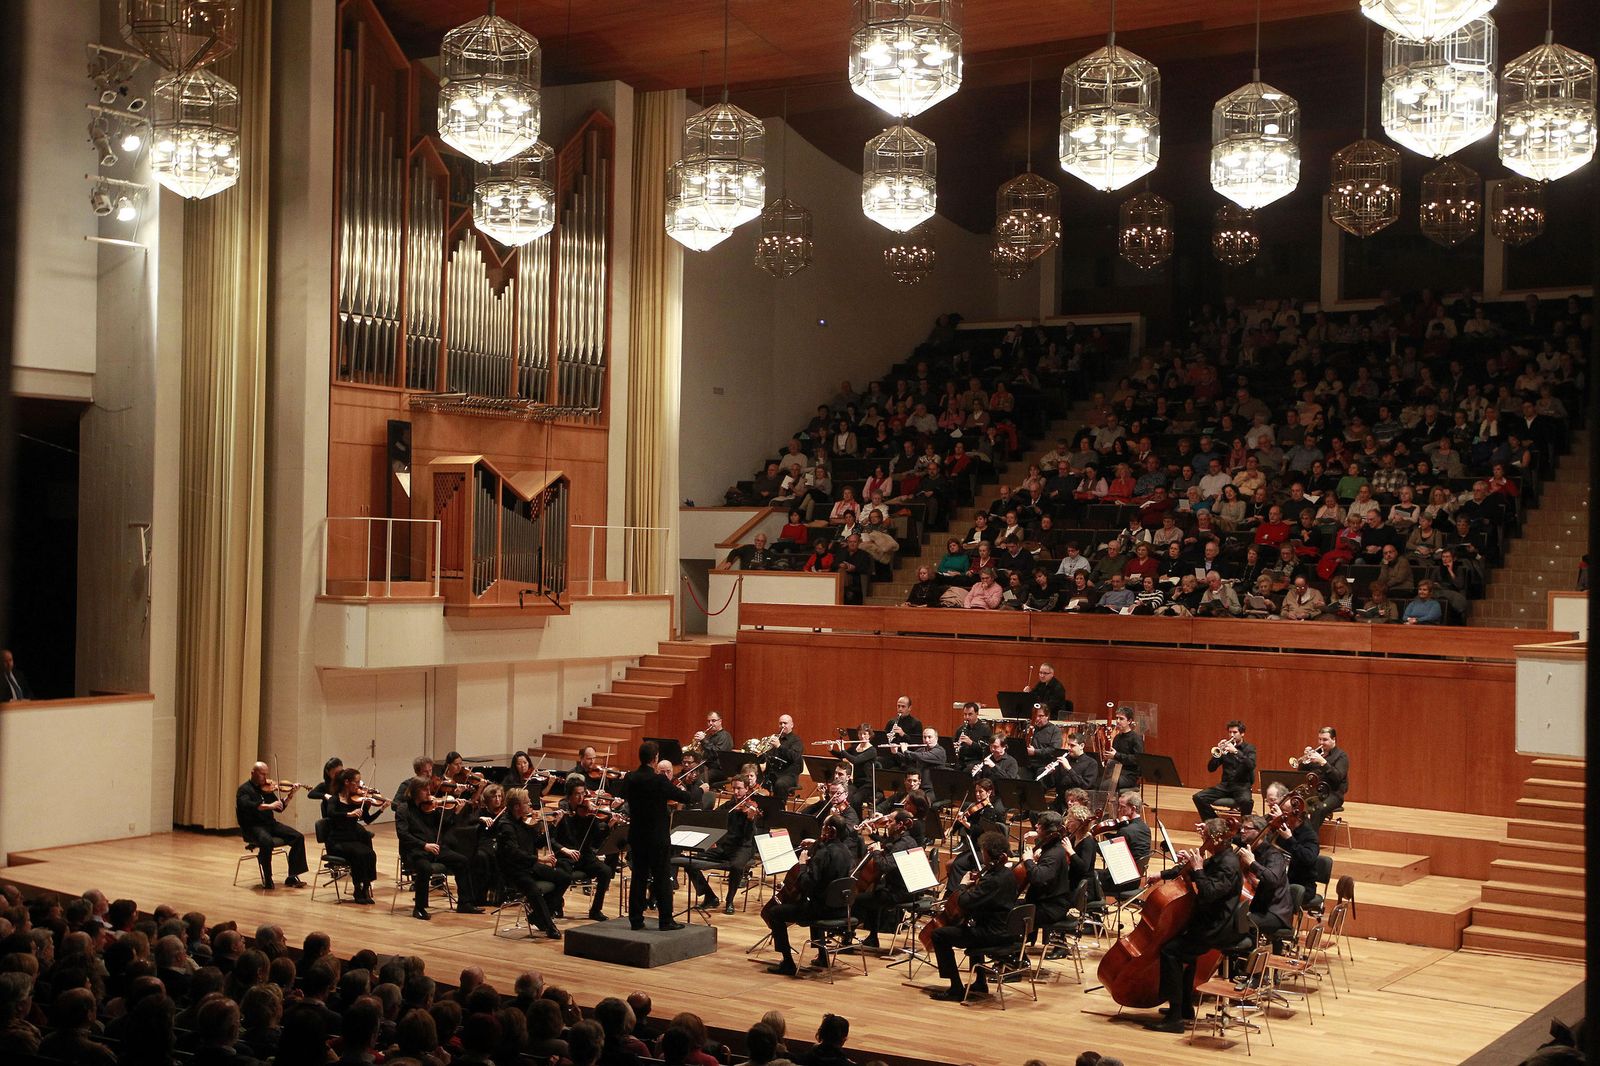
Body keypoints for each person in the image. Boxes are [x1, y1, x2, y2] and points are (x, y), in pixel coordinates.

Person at [1144, 819, 1243, 1032]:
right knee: (1185, 953)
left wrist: (1198, 869)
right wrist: (1162, 874)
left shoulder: (1228, 864)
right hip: (1207, 921)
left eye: (1205, 837)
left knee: (1170, 951)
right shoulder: (1220, 857)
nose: (1203, 841)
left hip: (1216, 928)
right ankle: (1185, 1007)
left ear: (1216, 840)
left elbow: (1209, 893)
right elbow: (1191, 872)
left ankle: (1175, 1018)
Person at [929, 831, 1021, 1001]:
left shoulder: (992, 880)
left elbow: (964, 902)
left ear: (991, 855)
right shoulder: (1007, 874)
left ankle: (956, 988)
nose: (982, 856)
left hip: (991, 935)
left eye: (984, 852)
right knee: (971, 925)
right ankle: (980, 982)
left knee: (939, 935)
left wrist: (963, 885)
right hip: (1005, 931)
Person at [618, 741, 697, 931]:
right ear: (655, 759)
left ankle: (636, 919)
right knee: (662, 878)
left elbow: (623, 793)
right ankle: (666, 920)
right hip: (657, 837)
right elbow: (685, 798)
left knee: (639, 877)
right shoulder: (659, 780)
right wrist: (699, 790)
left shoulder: (631, 778)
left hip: (637, 835)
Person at [764, 816, 855, 976]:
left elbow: (807, 884)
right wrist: (815, 844)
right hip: (842, 909)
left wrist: (802, 864)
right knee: (815, 900)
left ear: (831, 830)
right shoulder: (846, 851)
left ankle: (787, 963)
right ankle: (822, 956)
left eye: (824, 826)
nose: (821, 829)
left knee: (774, 913)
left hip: (821, 911)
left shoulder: (823, 854)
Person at [395, 777, 480, 920]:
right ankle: (419, 908)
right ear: (415, 791)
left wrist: (456, 812)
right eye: (425, 790)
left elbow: (444, 826)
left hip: (435, 849)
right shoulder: (403, 809)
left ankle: (465, 903)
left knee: (462, 861)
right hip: (414, 852)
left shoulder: (430, 807)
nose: (429, 793)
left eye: (429, 789)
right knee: (425, 868)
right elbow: (403, 834)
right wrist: (424, 845)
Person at [493, 787, 571, 938]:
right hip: (514, 871)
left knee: (564, 878)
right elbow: (514, 853)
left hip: (529, 865)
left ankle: (537, 916)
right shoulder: (505, 825)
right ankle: (549, 926)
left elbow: (538, 842)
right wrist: (540, 859)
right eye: (527, 803)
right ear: (517, 807)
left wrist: (554, 825)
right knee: (533, 889)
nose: (531, 805)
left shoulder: (524, 821)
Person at [682, 779, 759, 915]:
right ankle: (710, 896)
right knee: (690, 862)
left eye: (739, 788)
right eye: (733, 788)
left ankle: (729, 901)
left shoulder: (751, 808)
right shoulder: (728, 806)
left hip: (742, 848)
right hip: (724, 847)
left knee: (736, 867)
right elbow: (713, 819)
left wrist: (750, 819)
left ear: (747, 789)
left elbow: (748, 835)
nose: (736, 792)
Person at [236, 762, 308, 890]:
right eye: (262, 774)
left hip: (270, 824)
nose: (265, 778)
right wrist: (269, 806)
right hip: (253, 827)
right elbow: (247, 806)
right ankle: (268, 879)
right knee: (266, 842)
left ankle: (292, 877)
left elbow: (279, 807)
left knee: (298, 837)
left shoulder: (267, 789)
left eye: (266, 774)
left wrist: (290, 795)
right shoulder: (244, 790)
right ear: (253, 773)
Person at [553, 782, 617, 921]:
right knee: (563, 875)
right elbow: (552, 840)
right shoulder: (563, 812)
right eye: (577, 794)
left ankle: (595, 910)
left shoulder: (588, 813)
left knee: (606, 871)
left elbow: (596, 842)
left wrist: (608, 826)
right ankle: (556, 905)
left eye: (583, 793)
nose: (581, 798)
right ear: (569, 796)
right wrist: (566, 850)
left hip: (584, 856)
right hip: (565, 856)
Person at [326, 766, 386, 903]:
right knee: (358, 854)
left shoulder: (356, 801)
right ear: (347, 782)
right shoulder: (335, 799)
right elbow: (331, 814)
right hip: (337, 841)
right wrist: (349, 814)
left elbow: (367, 820)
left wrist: (381, 809)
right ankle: (357, 888)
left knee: (370, 854)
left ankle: (366, 887)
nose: (360, 786)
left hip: (352, 839)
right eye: (357, 782)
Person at [1237, 814, 1293, 953]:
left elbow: (1272, 880)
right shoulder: (1247, 851)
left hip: (1274, 912)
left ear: (1260, 831)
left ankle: (1251, 963)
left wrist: (1252, 863)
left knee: (1239, 923)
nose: (1242, 831)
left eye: (1247, 828)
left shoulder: (1274, 855)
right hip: (1256, 907)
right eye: (1242, 828)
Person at [944, 777, 1007, 890]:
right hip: (973, 848)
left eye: (981, 791)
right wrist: (951, 829)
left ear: (989, 792)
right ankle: (959, 889)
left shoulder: (990, 811)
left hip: (983, 850)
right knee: (949, 864)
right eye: (976, 791)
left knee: (957, 865)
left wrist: (966, 823)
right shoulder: (975, 807)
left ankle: (953, 893)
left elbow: (980, 830)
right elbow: (962, 821)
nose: (977, 794)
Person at [1192, 720, 1256, 819]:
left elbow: (1251, 765)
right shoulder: (1226, 749)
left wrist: (1236, 752)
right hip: (1225, 786)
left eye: (1235, 732)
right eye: (1230, 732)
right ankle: (1215, 823)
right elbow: (1211, 768)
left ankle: (1245, 826)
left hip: (1242, 786)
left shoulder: (1249, 748)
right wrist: (1218, 753)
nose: (1232, 735)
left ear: (1242, 733)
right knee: (1198, 797)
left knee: (1247, 802)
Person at [1292, 726, 1350, 829]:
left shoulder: (1341, 756)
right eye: (1320, 739)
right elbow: (1301, 773)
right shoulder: (1317, 754)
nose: (1321, 742)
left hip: (1333, 794)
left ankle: (1311, 838)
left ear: (1333, 739)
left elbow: (1337, 778)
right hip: (1314, 793)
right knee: (1293, 803)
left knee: (1317, 809)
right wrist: (1304, 760)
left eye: (1325, 740)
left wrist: (1323, 762)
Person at [1099, 791, 1152, 896]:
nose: (1119, 810)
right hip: (1135, 880)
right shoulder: (1145, 828)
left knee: (1087, 879)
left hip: (1119, 882)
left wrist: (1093, 842)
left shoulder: (1125, 831)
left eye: (1122, 807)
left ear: (1133, 808)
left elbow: (1110, 857)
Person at [759, 715, 804, 805]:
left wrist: (779, 746)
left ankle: (779, 809)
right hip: (772, 773)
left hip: (788, 775)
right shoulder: (775, 738)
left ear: (792, 725)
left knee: (780, 784)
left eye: (785, 723)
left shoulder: (796, 741)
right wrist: (761, 752)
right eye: (780, 723)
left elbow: (794, 756)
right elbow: (767, 756)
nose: (782, 725)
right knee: (754, 780)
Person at [690, 711, 734, 804]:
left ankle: (695, 804)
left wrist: (704, 741)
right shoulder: (709, 737)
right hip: (707, 767)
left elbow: (717, 754)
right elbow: (704, 754)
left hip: (719, 769)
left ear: (720, 721)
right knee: (689, 776)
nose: (710, 723)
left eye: (713, 721)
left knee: (700, 779)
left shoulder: (725, 736)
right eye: (708, 721)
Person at [1106, 706, 1143, 791]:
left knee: (1107, 784)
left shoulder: (1136, 738)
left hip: (1130, 776)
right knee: (1097, 781)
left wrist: (1116, 755)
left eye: (1121, 719)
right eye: (1117, 718)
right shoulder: (1117, 738)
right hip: (1117, 772)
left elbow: (1137, 759)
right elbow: (1115, 758)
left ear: (1129, 721)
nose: (1118, 721)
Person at [952, 702, 993, 770]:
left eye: (970, 714)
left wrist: (971, 743)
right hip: (962, 761)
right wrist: (955, 746)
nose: (967, 717)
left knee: (968, 769)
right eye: (965, 714)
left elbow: (987, 751)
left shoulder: (985, 729)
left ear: (977, 713)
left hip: (976, 760)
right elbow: (954, 743)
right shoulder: (961, 729)